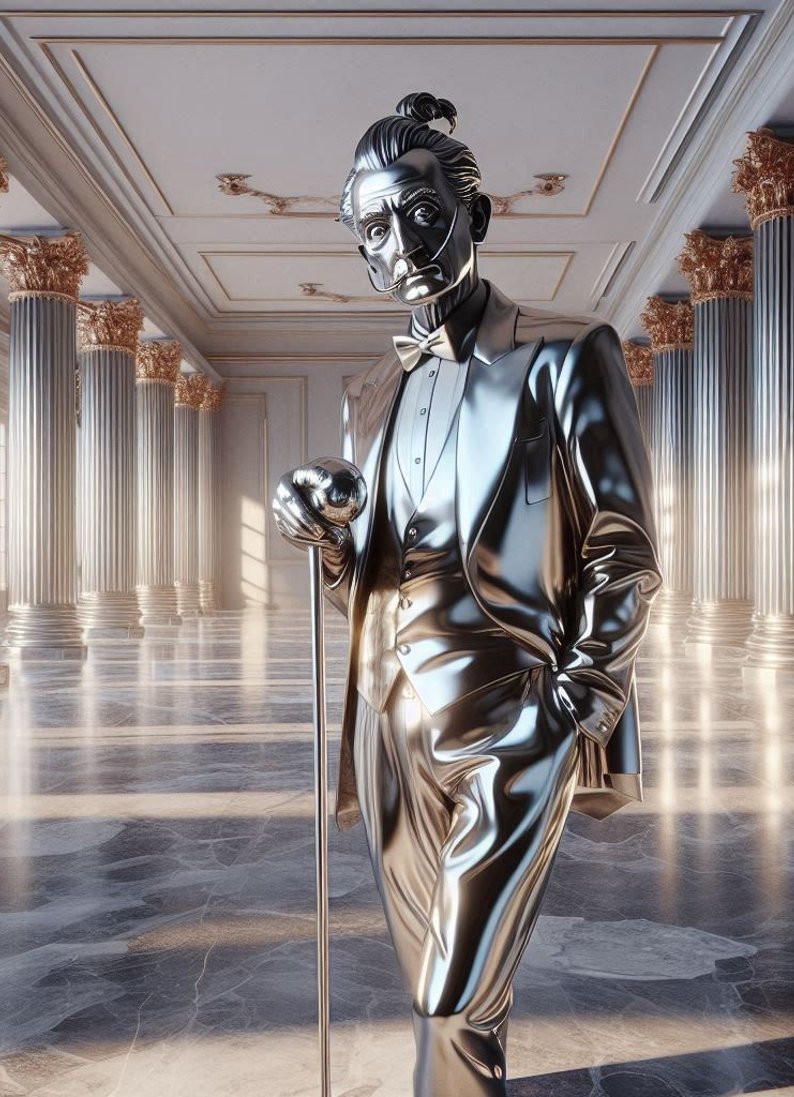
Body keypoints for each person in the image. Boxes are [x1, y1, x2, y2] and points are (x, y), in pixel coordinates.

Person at [272, 91, 660, 1096]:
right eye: (373, 228)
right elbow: (364, 586)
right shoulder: (370, 393)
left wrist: (577, 702)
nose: (401, 245)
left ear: (474, 216)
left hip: (514, 724)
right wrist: (324, 541)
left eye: (422, 213)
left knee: (451, 994)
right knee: (448, 999)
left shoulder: (567, 361)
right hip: (392, 738)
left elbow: (623, 548)